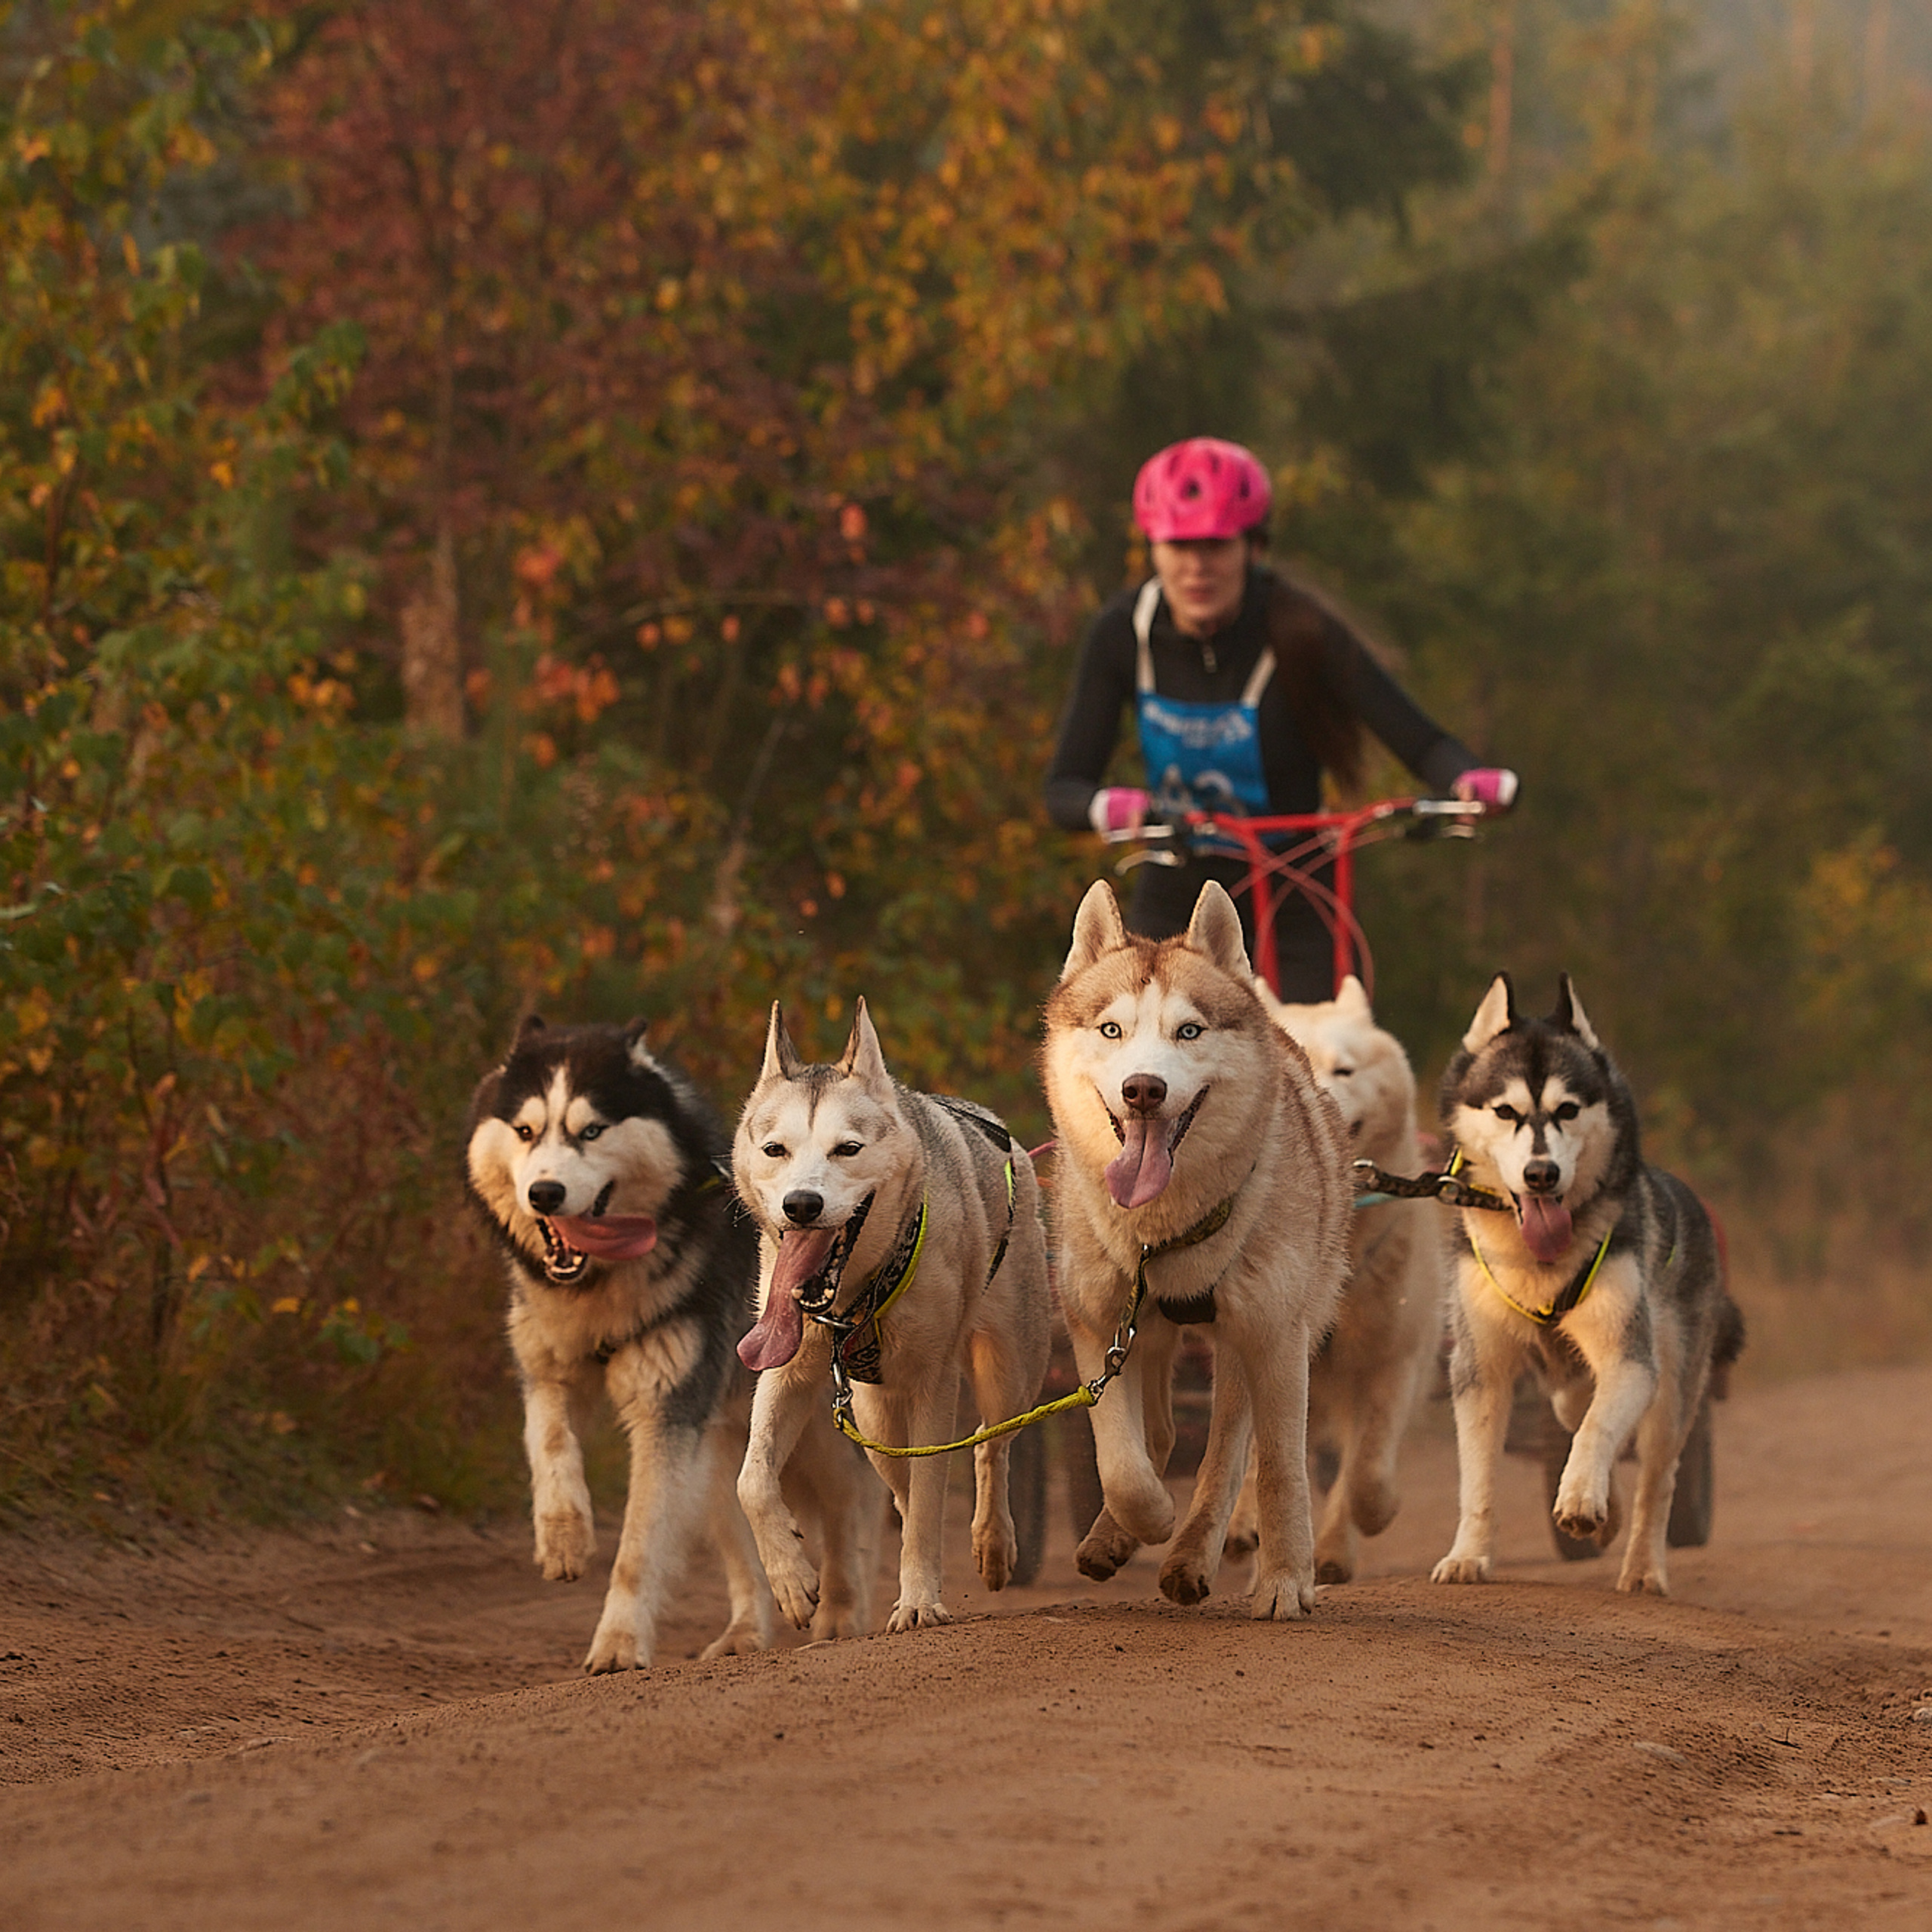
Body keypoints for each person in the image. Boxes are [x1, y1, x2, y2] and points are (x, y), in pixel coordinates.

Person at [1044, 438, 1517, 1001]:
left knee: (1327, 1051)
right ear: (1154, 548)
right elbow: (1064, 788)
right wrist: (1109, 806)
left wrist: (1466, 779)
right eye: (1180, 545)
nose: (1197, 567)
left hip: (1298, 882)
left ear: (1253, 548)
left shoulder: (1304, 631)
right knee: (1138, 1040)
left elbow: (1416, 738)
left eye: (1217, 545)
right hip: (1176, 877)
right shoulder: (1123, 634)